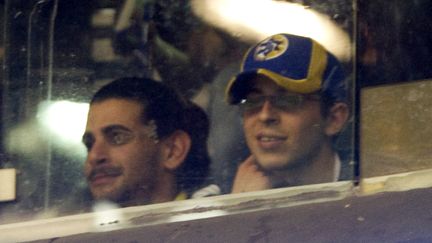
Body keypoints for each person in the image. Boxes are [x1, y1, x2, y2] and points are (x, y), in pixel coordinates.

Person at [225, 33, 352, 193]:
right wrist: (239, 206)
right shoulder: (212, 198)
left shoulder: (372, 187)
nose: (265, 115)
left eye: (287, 100)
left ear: (334, 119)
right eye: (253, 101)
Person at [82, 77, 211, 207]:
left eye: (117, 137)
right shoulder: (76, 225)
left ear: (173, 151)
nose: (94, 156)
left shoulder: (212, 224)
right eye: (89, 144)